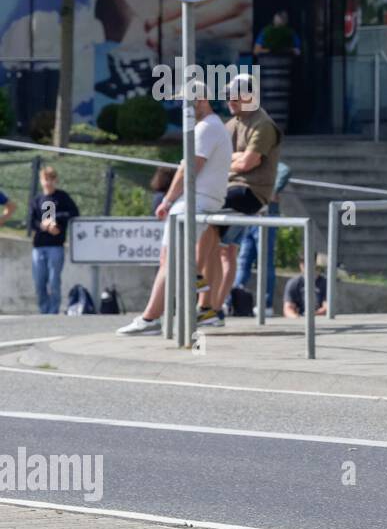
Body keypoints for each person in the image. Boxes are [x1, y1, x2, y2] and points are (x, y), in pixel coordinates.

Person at [117, 82, 233, 336]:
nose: (183, 107)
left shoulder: (205, 128)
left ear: (201, 99)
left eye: (187, 101)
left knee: (169, 261)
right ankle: (191, 310)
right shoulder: (214, 127)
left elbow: (189, 168)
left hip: (194, 200)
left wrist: (167, 201)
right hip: (205, 200)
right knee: (188, 259)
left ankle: (151, 319)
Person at [201, 74, 283, 327]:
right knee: (225, 251)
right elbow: (228, 158)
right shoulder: (233, 123)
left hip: (250, 193)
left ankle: (205, 300)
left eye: (234, 96)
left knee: (208, 227)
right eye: (227, 97)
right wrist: (233, 160)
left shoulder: (263, 124)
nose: (229, 101)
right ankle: (212, 309)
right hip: (233, 187)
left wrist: (228, 161)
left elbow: (249, 162)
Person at [231, 159, 291, 315]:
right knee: (243, 259)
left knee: (265, 260)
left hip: (266, 212)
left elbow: (284, 169)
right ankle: (234, 300)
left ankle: (266, 304)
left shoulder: (265, 158)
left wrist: (273, 190)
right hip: (249, 212)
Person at [28, 167, 79, 314]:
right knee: (39, 281)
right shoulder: (36, 200)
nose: (48, 182)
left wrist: (55, 221)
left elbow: (73, 213)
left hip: (56, 246)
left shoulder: (62, 197)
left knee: (54, 280)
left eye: (51, 179)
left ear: (55, 180)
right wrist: (43, 226)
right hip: (39, 246)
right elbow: (31, 222)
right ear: (41, 181)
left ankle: (53, 311)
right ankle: (43, 310)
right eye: (45, 179)